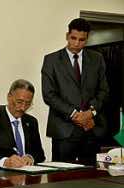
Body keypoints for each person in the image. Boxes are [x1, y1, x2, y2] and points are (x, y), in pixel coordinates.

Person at [41, 18, 109, 165]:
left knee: (90, 178)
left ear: (87, 39)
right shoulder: (51, 60)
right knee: (60, 179)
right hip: (64, 130)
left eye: (82, 40)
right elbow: (49, 94)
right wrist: (74, 114)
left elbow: (103, 90)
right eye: (73, 38)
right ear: (67, 36)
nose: (77, 43)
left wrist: (91, 112)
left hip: (91, 128)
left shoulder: (97, 59)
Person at [0, 79, 45, 168]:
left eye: (28, 104)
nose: (23, 107)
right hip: (3, 177)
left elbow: (40, 154)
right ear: (9, 96)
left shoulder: (31, 122)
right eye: (19, 102)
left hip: (28, 175)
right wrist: (5, 161)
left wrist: (30, 157)